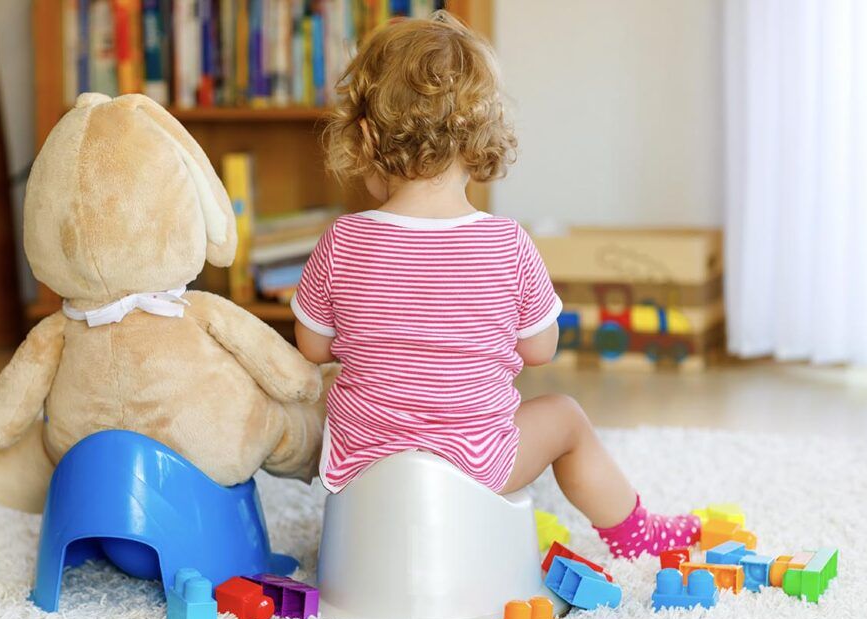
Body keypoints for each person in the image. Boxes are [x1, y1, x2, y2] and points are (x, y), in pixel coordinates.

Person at [291, 11, 698, 558]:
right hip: (477, 466)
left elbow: (313, 347)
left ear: (363, 135)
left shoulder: (342, 239)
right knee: (566, 417)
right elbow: (540, 349)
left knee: (335, 393)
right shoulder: (507, 243)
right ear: (478, 139)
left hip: (365, 467)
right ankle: (636, 533)